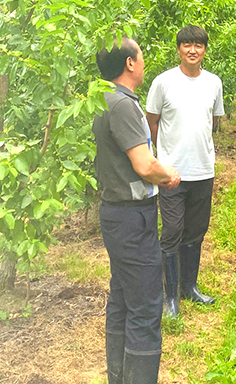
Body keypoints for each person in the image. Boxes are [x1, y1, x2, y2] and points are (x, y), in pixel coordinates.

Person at [94, 36, 181, 383]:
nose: (144, 62)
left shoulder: (101, 99)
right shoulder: (124, 105)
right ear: (130, 63)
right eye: (141, 56)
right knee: (145, 305)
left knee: (122, 298)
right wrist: (168, 175)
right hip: (132, 217)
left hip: (117, 214)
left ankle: (119, 376)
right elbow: (144, 165)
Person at [146, 25, 224, 317]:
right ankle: (170, 297)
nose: (193, 50)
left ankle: (189, 288)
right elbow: (152, 121)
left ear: (205, 49)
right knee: (173, 231)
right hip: (172, 173)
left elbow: (214, 121)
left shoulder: (214, 83)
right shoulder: (164, 82)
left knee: (196, 231)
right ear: (178, 48)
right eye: (187, 45)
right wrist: (159, 159)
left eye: (198, 45)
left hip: (203, 170)